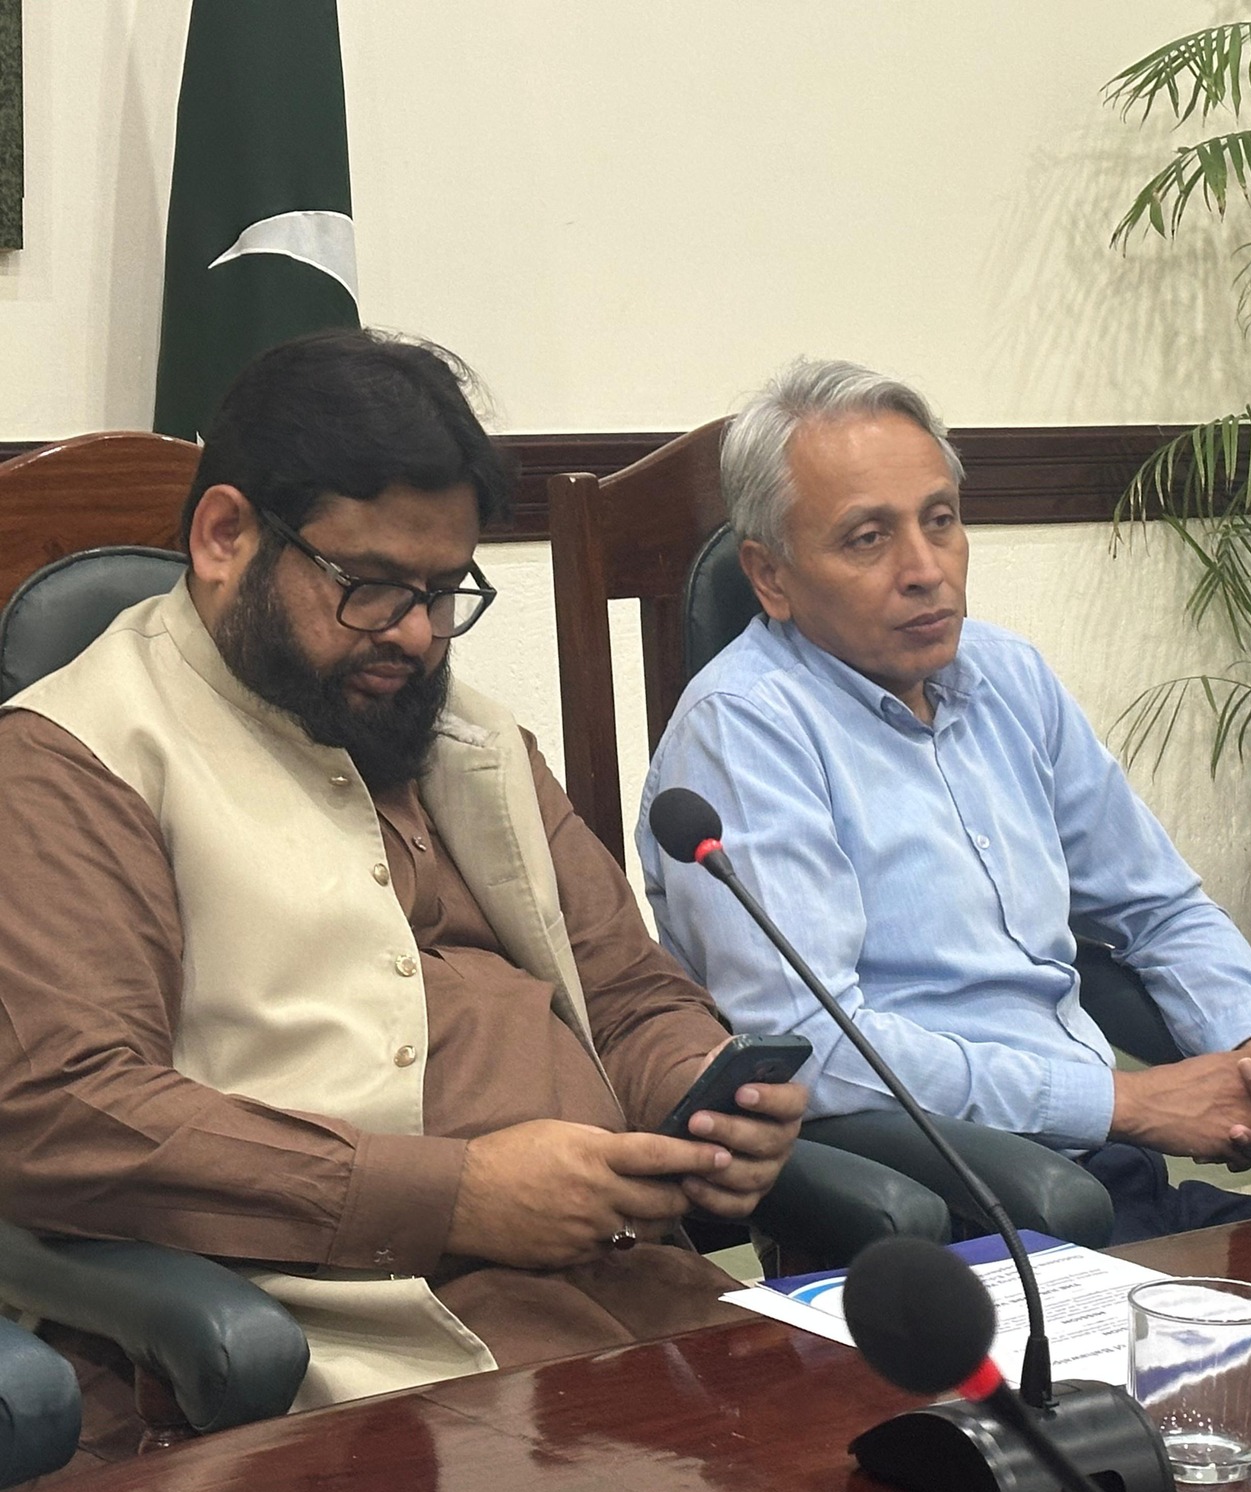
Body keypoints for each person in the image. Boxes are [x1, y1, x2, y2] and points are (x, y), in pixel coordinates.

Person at [0, 330, 805, 1417]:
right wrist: (455, 1197)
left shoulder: (468, 735)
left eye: (444, 589)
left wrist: (701, 1095)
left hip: (632, 1276)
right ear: (226, 536)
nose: (420, 635)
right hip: (362, 1329)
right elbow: (69, 1113)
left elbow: (625, 990)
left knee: (914, 1445)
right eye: (373, 587)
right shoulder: (76, 756)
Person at [638, 358, 1251, 1242]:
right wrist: (1123, 1102)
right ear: (771, 577)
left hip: (1110, 1181)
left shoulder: (1008, 676)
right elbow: (811, 1044)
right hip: (953, 1219)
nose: (925, 569)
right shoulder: (743, 730)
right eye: (868, 538)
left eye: (940, 520)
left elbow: (1160, 907)